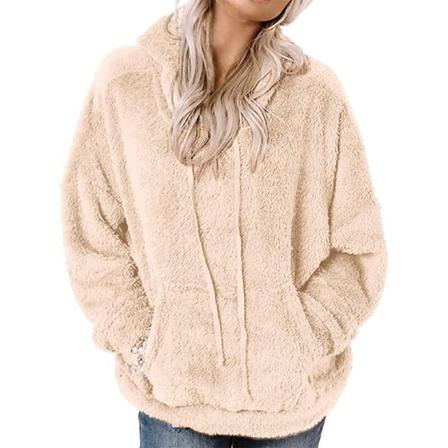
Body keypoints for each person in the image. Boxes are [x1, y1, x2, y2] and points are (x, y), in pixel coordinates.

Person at [60, 1, 388, 446]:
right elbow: (91, 231)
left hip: (288, 403)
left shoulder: (316, 95)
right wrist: (143, 341)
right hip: (175, 398)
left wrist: (303, 339)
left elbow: (359, 246)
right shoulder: (126, 82)